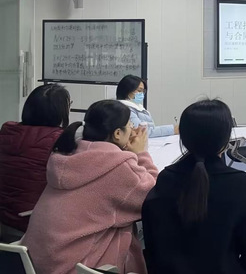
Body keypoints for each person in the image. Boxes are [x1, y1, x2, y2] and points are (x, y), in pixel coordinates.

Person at [21, 100, 158, 274]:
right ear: (118, 133)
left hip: (37, 263)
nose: (133, 128)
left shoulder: (68, 153)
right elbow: (153, 195)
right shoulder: (119, 166)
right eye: (130, 124)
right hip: (76, 268)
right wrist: (141, 153)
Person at [142, 99, 246, 274]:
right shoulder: (242, 185)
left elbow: (152, 244)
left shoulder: (166, 179)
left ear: (183, 138)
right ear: (226, 140)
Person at [0, 84, 70, 233]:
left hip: (3, 219)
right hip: (30, 223)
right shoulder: (60, 139)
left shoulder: (7, 130)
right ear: (61, 111)